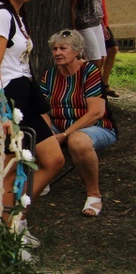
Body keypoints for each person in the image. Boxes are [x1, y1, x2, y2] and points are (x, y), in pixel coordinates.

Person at [0, 0, 64, 203]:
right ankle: (9, 227)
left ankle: (17, 219)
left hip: (24, 93)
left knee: (53, 159)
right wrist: (4, 111)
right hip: (10, 97)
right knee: (11, 167)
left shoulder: (16, 16)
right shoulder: (1, 16)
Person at [39, 29, 117, 217]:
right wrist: (49, 132)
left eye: (63, 48)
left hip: (95, 126)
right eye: (55, 49)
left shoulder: (89, 72)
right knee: (35, 133)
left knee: (77, 141)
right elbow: (42, 110)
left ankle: (93, 195)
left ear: (77, 51)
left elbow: (95, 113)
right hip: (59, 125)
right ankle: (43, 179)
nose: (57, 53)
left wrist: (65, 134)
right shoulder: (48, 75)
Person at [92, 0, 120, 98]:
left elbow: (100, 1)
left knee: (112, 49)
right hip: (90, 23)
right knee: (97, 58)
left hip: (102, 21)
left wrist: (104, 22)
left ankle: (105, 83)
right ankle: (94, 88)